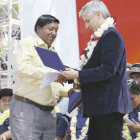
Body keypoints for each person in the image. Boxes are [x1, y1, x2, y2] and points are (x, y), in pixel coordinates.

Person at [59, 0, 132, 140]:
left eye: (87, 21)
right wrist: (71, 74)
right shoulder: (102, 37)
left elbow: (108, 70)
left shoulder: (112, 35)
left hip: (109, 106)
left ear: (99, 14)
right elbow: (93, 70)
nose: (86, 26)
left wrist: (78, 74)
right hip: (100, 107)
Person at [10, 15, 69, 140]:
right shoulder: (27, 43)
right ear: (38, 28)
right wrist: (50, 73)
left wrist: (69, 92)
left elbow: (52, 84)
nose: (54, 33)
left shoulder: (52, 51)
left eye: (56, 30)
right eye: (50, 29)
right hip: (27, 109)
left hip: (50, 113)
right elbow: (21, 68)